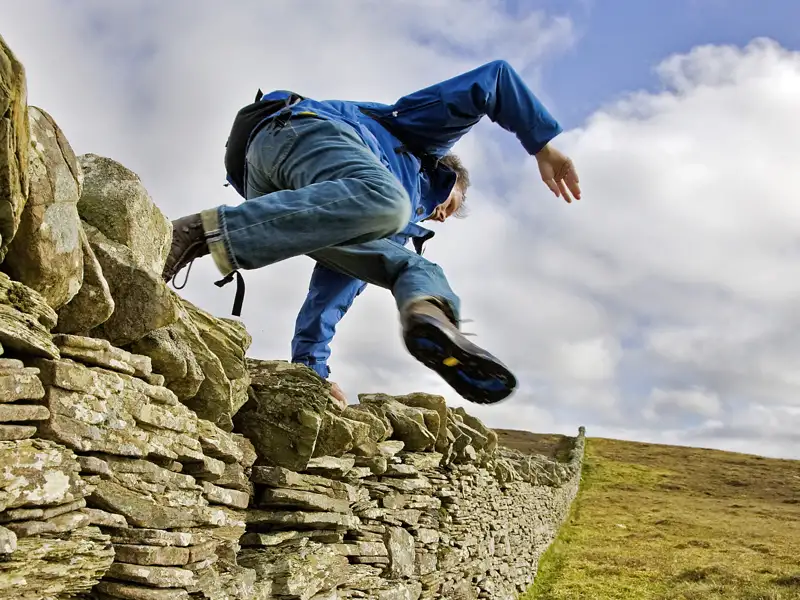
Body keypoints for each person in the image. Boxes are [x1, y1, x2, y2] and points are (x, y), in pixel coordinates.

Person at [162, 59, 581, 409]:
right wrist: (544, 146)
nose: (438, 216)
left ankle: (429, 316)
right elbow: (493, 80)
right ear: (451, 178)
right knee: (390, 204)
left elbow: (327, 299)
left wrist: (312, 372)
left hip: (270, 190)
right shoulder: (420, 139)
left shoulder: (368, 215)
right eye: (450, 205)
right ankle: (202, 232)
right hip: (295, 132)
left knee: (410, 264)